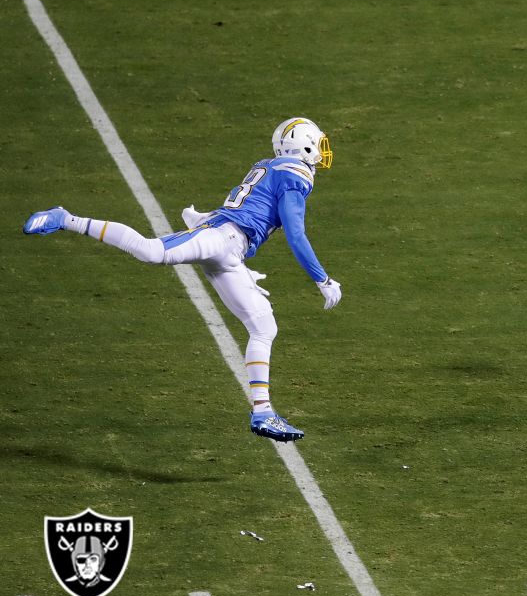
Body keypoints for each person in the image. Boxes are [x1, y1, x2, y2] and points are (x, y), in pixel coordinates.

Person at [22, 117, 343, 441]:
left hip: (230, 248)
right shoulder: (295, 174)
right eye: (317, 142)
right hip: (223, 239)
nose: (321, 150)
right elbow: (295, 234)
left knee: (264, 327)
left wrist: (203, 217)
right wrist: (323, 279)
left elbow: (247, 205)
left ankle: (263, 412)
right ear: (302, 143)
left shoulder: (270, 165)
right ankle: (67, 218)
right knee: (150, 251)